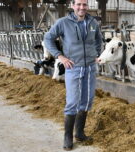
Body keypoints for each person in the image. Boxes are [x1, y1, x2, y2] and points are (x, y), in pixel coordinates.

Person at [43, 0, 102, 150]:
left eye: (84, 4)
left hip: (90, 68)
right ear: (72, 5)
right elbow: (48, 38)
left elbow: (98, 40)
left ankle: (80, 133)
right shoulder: (63, 22)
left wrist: (96, 54)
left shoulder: (93, 22)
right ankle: (67, 136)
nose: (82, 7)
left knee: (87, 100)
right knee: (72, 101)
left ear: (87, 6)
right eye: (79, 4)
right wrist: (59, 56)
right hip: (73, 67)